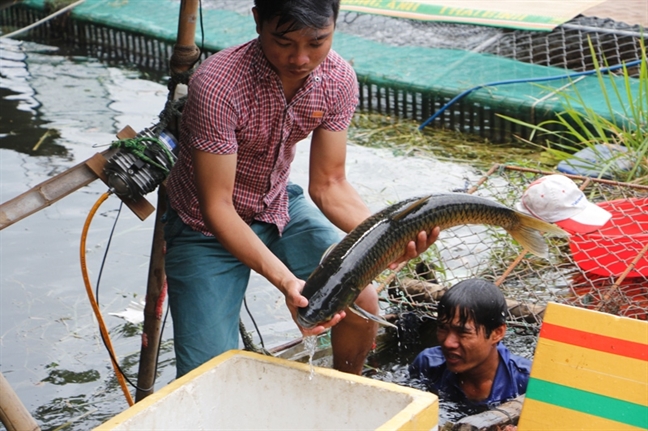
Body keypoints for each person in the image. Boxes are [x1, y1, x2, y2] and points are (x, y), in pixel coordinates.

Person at [163, 0, 439, 378]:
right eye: (284, 42)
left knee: (361, 300)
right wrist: (287, 283)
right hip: (204, 228)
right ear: (258, 20)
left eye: (317, 42)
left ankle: (345, 389)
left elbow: (330, 184)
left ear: (334, 25)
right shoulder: (217, 84)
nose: (300, 58)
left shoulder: (338, 77)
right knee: (208, 373)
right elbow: (218, 207)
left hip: (279, 205)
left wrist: (394, 235)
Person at [409, 279, 531, 412]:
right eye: (443, 328)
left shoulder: (527, 383)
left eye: (463, 332)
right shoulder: (428, 364)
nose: (448, 343)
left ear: (497, 333)